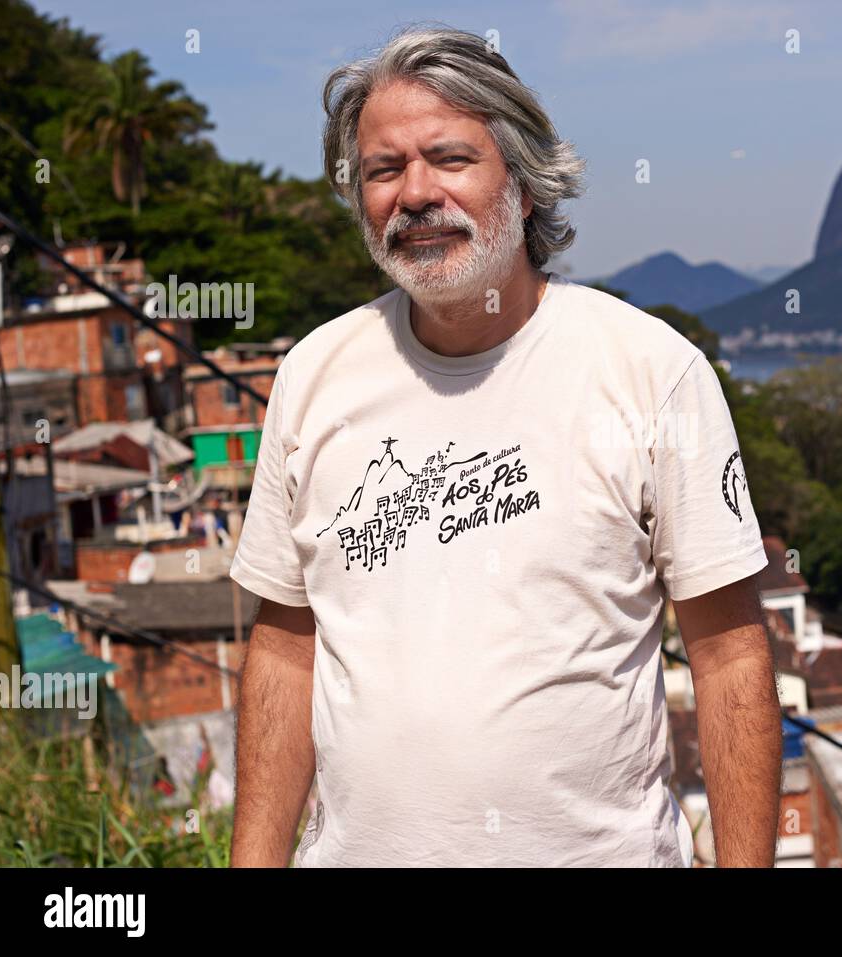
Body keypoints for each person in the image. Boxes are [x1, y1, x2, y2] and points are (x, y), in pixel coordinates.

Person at [228, 26, 782, 868]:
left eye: (449, 158)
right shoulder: (312, 375)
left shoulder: (650, 372)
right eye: (384, 170)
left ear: (523, 184)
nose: (414, 194)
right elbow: (283, 645)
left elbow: (729, 653)